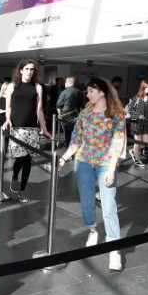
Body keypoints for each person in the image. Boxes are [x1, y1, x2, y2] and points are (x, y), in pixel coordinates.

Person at [58, 78, 126, 271]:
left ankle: (114, 248)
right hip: (84, 163)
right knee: (87, 201)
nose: (87, 95)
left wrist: (112, 167)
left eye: (90, 91)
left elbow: (118, 142)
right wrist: (64, 158)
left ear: (102, 92)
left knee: (109, 206)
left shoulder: (116, 115)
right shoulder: (85, 114)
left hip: (106, 164)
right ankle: (93, 231)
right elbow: (76, 140)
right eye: (87, 92)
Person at [2, 59, 52, 203]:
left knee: (27, 160)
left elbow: (39, 109)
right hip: (17, 128)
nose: (30, 72)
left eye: (32, 69)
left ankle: (22, 190)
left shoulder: (37, 87)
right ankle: (15, 176)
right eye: (27, 69)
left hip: (32, 129)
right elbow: (9, 106)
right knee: (20, 158)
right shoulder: (12, 86)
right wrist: (7, 119)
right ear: (21, 70)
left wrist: (44, 129)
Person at [126, 79, 148, 167]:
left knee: (146, 142)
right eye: (147, 87)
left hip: (146, 123)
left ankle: (133, 151)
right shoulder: (137, 97)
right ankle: (137, 159)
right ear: (143, 87)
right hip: (137, 123)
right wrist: (138, 115)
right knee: (138, 142)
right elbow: (130, 110)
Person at [56, 77, 82, 147]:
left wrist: (59, 114)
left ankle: (68, 148)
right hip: (76, 116)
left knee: (67, 134)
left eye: (66, 82)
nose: (64, 83)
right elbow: (82, 105)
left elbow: (58, 105)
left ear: (71, 83)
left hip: (65, 117)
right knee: (76, 134)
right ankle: (75, 149)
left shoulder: (64, 92)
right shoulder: (79, 92)